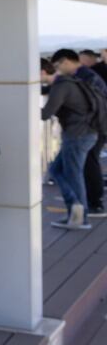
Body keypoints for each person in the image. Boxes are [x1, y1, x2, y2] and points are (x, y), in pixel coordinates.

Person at [41, 48, 99, 229]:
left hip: (77, 135)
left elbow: (46, 113)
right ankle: (76, 210)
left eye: (57, 64)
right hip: (86, 133)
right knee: (57, 170)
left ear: (65, 61)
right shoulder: (75, 81)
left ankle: (79, 217)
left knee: (73, 175)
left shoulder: (63, 84)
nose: (56, 68)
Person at [70, 50, 107, 218]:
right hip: (99, 124)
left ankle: (95, 203)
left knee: (89, 162)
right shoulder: (94, 74)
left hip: (95, 126)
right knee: (90, 161)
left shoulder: (89, 76)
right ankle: (91, 201)